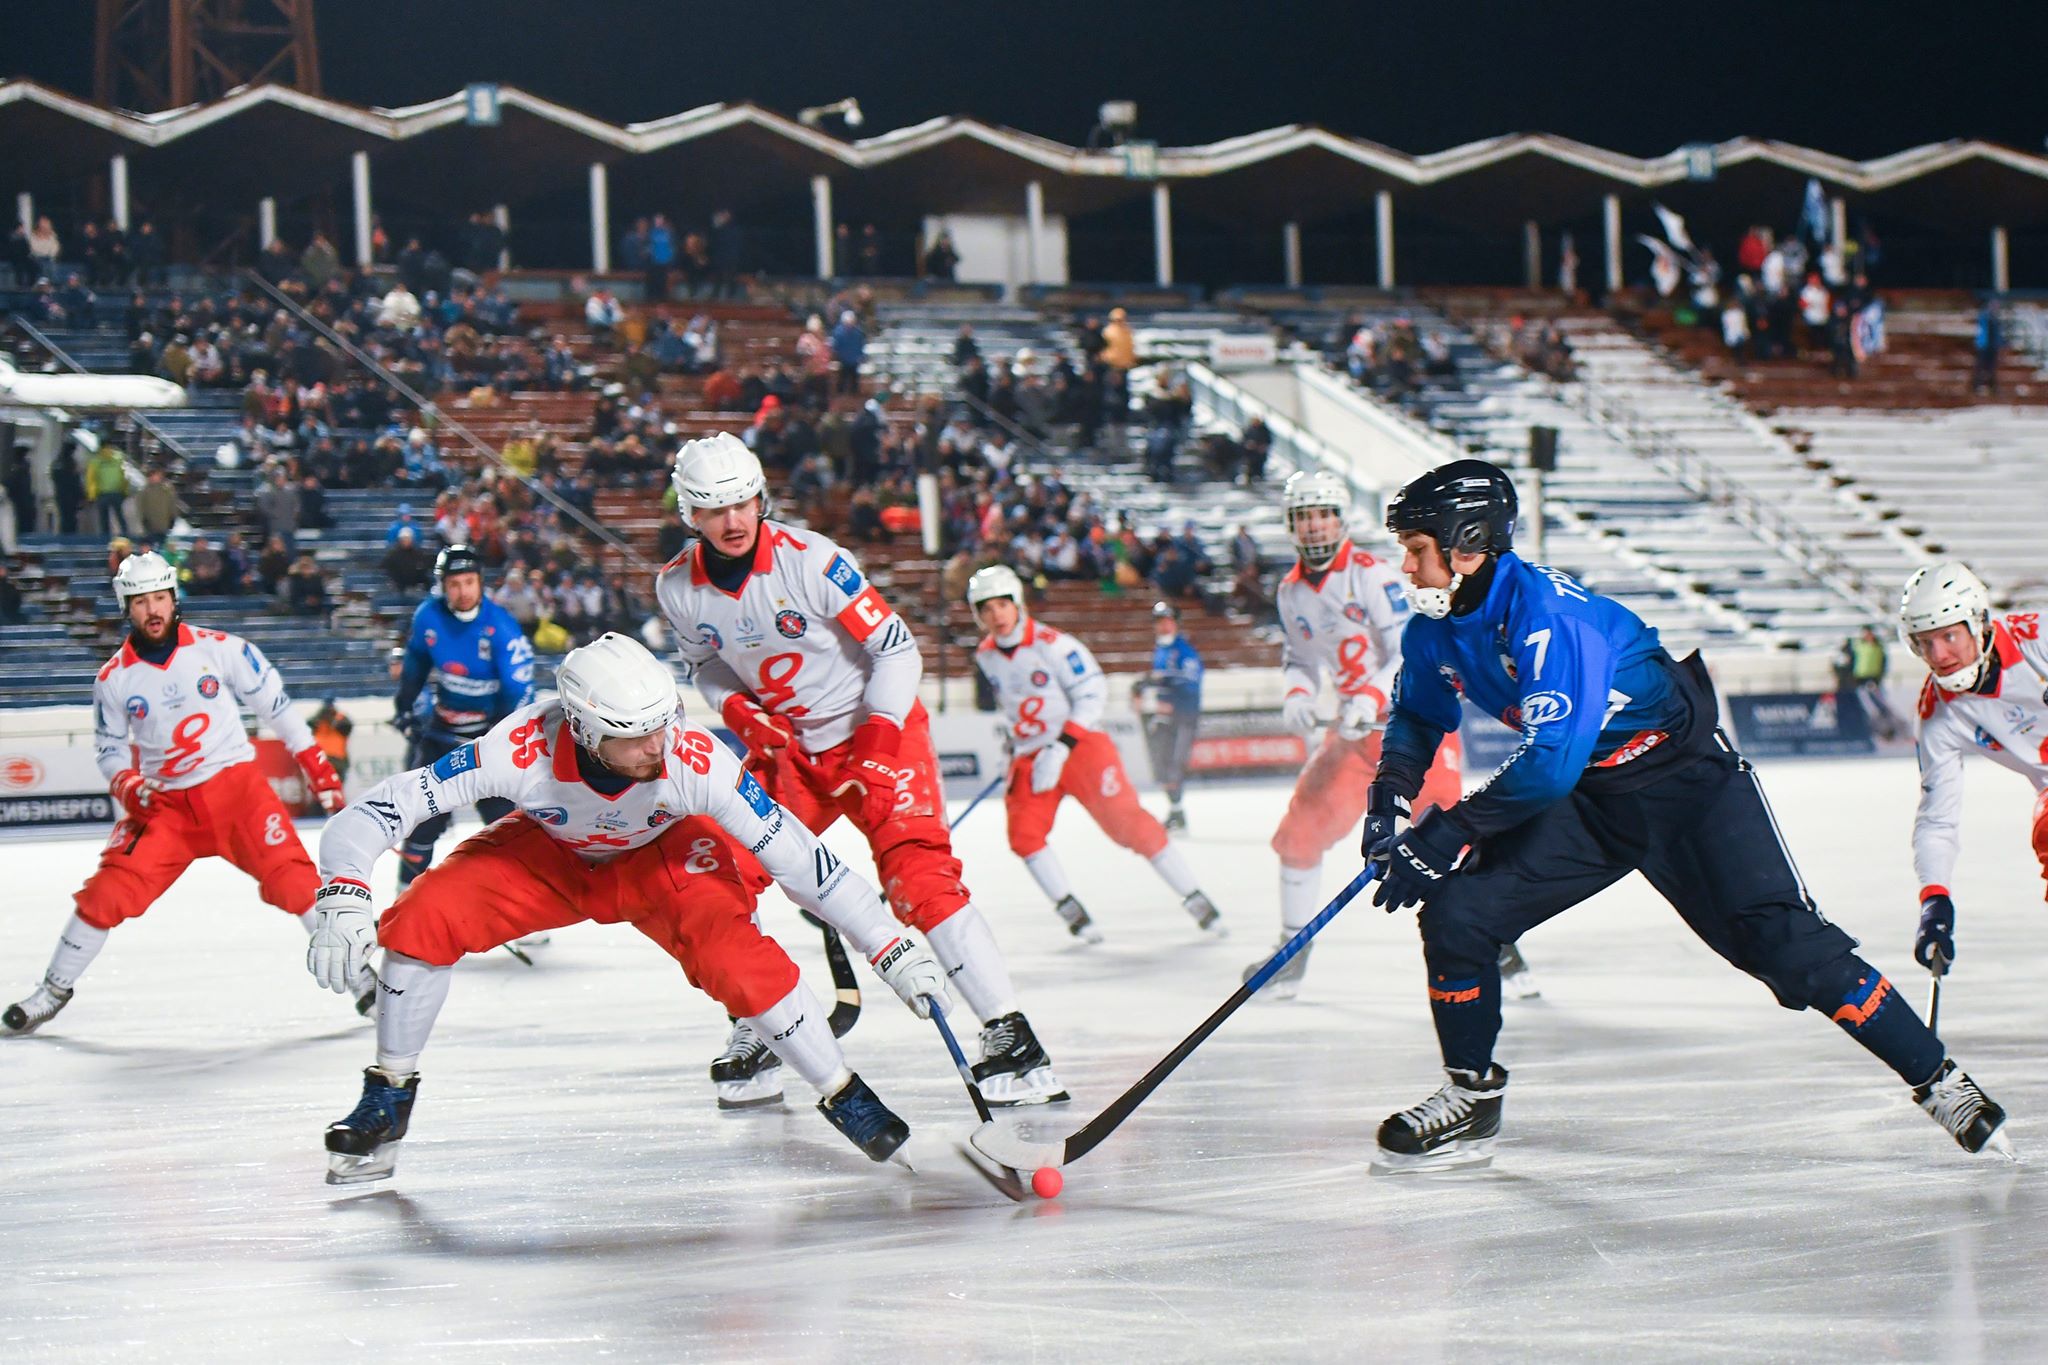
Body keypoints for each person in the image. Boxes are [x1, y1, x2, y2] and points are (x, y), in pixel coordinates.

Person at [1357, 460, 2012, 1168]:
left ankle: (1942, 1081)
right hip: (1594, 799)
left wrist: (1449, 828)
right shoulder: (1436, 629)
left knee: (1790, 951)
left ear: (1468, 544)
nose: (1407, 566)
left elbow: (1547, 763)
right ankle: (1472, 1094)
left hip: (1687, 788)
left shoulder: (1550, 617)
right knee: (1459, 912)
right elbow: (1420, 715)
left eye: (1418, 549)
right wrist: (1390, 795)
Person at [305, 634, 949, 1182]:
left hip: (661, 855)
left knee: (738, 957)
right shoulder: (517, 748)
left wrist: (888, 945)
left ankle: (843, 1092)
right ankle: (388, 1095)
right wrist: (343, 892)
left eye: (664, 723)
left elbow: (801, 862)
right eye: (636, 737)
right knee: (423, 916)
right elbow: (376, 811)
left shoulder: (695, 761)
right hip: (555, 855)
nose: (659, 746)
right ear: (583, 730)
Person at [656, 433, 1067, 1107]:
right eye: (713, 508)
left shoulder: (813, 560)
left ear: (761, 497)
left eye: (742, 502)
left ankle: (1011, 1035)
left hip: (878, 732)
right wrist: (736, 708)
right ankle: (760, 1025)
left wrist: (877, 733)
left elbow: (898, 648)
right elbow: (705, 664)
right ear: (689, 516)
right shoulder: (678, 586)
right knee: (719, 874)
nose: (732, 521)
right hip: (790, 751)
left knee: (918, 879)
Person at [3, 552, 349, 1036]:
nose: (153, 610)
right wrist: (126, 783)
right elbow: (108, 750)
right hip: (166, 808)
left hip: (238, 795)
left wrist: (316, 766)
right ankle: (52, 992)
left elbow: (277, 707)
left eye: (160, 598)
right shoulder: (113, 679)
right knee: (105, 894)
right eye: (141, 601)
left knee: (297, 885)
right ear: (127, 607)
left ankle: (363, 984)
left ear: (174, 598)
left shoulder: (220, 648)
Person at [1248, 470, 1468, 1000]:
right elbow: (1299, 658)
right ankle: (1292, 952)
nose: (1315, 525)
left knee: (1447, 840)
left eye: (1323, 512)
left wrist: (1370, 696)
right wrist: (1298, 693)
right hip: (1353, 738)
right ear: (1291, 523)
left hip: (1414, 725)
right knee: (1301, 832)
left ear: (1342, 518)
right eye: (1305, 514)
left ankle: (1492, 943)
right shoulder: (1291, 590)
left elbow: (1405, 649)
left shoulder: (1373, 575)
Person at [967, 565, 1223, 944]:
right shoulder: (985, 655)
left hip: (1079, 745)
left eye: (1003, 604)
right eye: (986, 609)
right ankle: (1070, 910)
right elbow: (1013, 705)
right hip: (1032, 754)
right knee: (1023, 835)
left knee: (1129, 826)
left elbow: (1092, 694)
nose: (996, 615)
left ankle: (1195, 897)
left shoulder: (1055, 644)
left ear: (1017, 603)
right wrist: (1015, 748)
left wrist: (1061, 746)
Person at [1898, 564, 2048, 978]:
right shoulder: (1938, 715)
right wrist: (1935, 900)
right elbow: (1937, 820)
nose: (1939, 656)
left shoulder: (2037, 636)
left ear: (1979, 623)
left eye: (1948, 636)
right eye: (1924, 643)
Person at [391, 545, 536, 887]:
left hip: (488, 738)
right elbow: (414, 665)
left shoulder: (502, 627)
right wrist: (404, 707)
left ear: (481, 583)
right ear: (443, 586)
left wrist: (497, 741)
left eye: (469, 582)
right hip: (441, 734)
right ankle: (404, 904)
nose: (463, 591)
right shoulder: (428, 615)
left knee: (508, 828)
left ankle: (523, 910)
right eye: (454, 584)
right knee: (419, 822)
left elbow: (519, 691)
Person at [1138, 601, 1203, 831]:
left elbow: (1190, 683)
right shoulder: (1161, 650)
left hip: (1184, 716)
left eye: (1167, 621)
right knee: (1163, 765)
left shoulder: (1184, 651)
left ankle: (1178, 812)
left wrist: (1158, 681)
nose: (1163, 627)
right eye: (1159, 622)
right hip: (1165, 715)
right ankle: (1176, 811)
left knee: (1176, 764)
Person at [311, 698, 353, 788]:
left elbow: (347, 726)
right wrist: (320, 716)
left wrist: (333, 720)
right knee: (322, 788)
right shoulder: (318, 721)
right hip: (321, 759)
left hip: (337, 760)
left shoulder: (340, 719)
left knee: (336, 787)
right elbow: (308, 725)